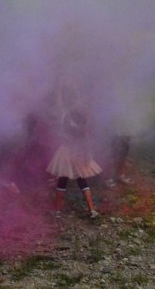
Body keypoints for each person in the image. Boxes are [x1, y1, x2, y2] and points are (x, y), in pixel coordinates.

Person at [45, 82, 102, 219]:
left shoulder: (65, 116)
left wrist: (59, 88)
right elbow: (79, 102)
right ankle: (92, 210)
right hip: (78, 151)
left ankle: (57, 211)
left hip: (66, 153)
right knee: (82, 181)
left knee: (62, 181)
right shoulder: (82, 118)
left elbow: (60, 105)